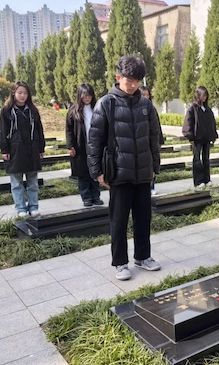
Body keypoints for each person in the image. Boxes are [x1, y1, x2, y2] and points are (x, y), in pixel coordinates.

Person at [87, 55, 161, 281]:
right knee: (119, 221)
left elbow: (154, 138)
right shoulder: (106, 104)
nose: (133, 85)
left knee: (143, 218)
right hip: (118, 173)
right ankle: (120, 262)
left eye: (137, 81)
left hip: (142, 173)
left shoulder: (146, 105)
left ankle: (143, 256)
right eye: (129, 80)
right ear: (118, 77)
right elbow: (94, 141)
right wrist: (97, 171)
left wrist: (154, 166)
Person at [0, 81, 45, 218]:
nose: (22, 95)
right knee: (17, 183)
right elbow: (2, 131)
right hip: (15, 150)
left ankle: (33, 207)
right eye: (20, 92)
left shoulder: (33, 110)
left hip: (32, 149)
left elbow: (39, 130)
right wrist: (4, 150)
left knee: (33, 182)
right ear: (14, 93)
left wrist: (41, 148)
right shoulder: (7, 110)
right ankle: (21, 208)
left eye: (25, 93)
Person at [66, 84, 103, 207]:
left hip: (96, 145)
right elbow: (69, 130)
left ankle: (96, 196)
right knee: (83, 173)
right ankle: (86, 197)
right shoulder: (74, 110)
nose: (87, 98)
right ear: (80, 96)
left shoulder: (97, 108)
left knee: (95, 171)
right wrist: (70, 146)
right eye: (84, 95)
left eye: (89, 95)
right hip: (80, 146)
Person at [182, 86, 218, 189]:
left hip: (206, 139)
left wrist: (213, 135)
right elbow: (188, 122)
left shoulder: (207, 109)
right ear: (198, 95)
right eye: (203, 95)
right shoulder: (193, 108)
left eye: (206, 95)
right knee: (197, 159)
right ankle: (198, 181)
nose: (204, 97)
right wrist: (190, 135)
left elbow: (212, 123)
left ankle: (207, 179)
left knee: (206, 159)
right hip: (196, 139)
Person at [140, 85, 164, 196]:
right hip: (142, 142)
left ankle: (152, 186)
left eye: (147, 95)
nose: (146, 97)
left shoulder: (152, 108)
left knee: (153, 165)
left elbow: (157, 127)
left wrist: (160, 141)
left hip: (152, 142)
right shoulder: (136, 109)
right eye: (143, 95)